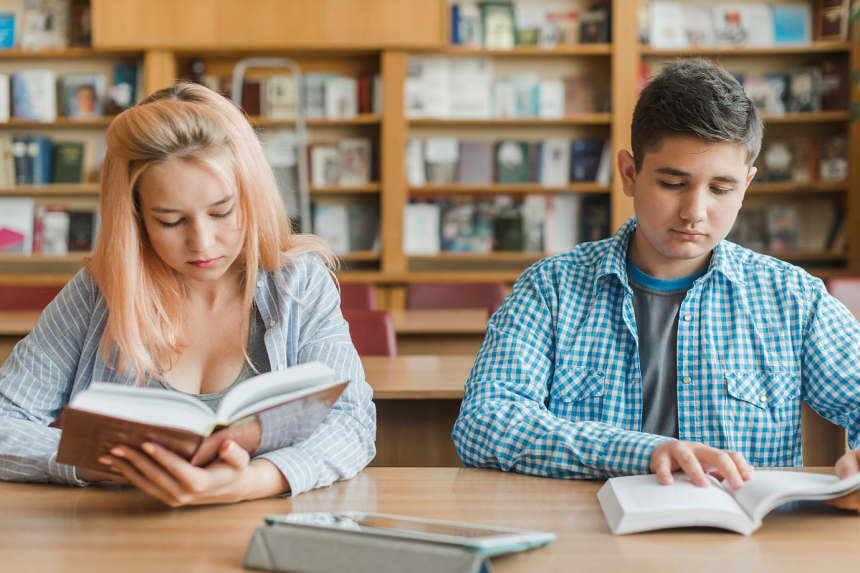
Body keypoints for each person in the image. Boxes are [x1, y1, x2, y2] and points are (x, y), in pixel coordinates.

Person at [452, 59, 860, 511]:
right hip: (594, 541)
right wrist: (642, 452)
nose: (694, 211)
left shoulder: (792, 298)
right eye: (672, 183)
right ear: (630, 174)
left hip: (749, 547)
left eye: (720, 189)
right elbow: (484, 423)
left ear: (746, 185)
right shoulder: (550, 289)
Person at [0, 82, 376, 506]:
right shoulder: (97, 293)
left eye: (222, 212)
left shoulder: (300, 284)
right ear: (136, 216)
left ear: (251, 195)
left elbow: (352, 422)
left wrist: (248, 482)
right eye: (171, 220)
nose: (202, 242)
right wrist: (98, 464)